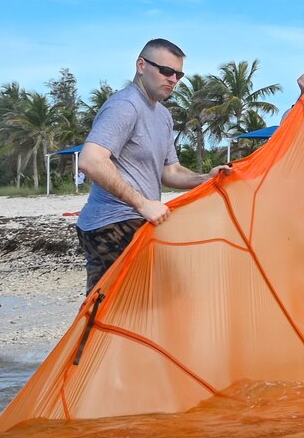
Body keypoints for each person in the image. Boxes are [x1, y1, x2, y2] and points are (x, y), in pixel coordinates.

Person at [75, 38, 220, 293]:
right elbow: (90, 160)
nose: (173, 79)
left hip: (141, 222)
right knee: (115, 311)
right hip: (111, 225)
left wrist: (206, 177)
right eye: (166, 71)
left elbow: (170, 171)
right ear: (141, 65)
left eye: (179, 74)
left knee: (158, 303)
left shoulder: (163, 116)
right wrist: (143, 204)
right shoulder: (125, 106)